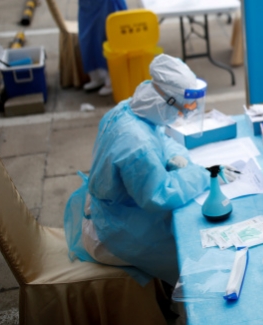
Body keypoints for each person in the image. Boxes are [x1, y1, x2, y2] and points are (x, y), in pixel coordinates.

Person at [63, 54, 210, 285]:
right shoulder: (137, 146)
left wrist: (175, 155)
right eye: (182, 109)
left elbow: (159, 135)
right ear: (166, 102)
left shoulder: (129, 109)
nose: (182, 114)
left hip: (110, 214)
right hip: (112, 233)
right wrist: (203, 175)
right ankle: (180, 301)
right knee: (194, 254)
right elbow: (160, 194)